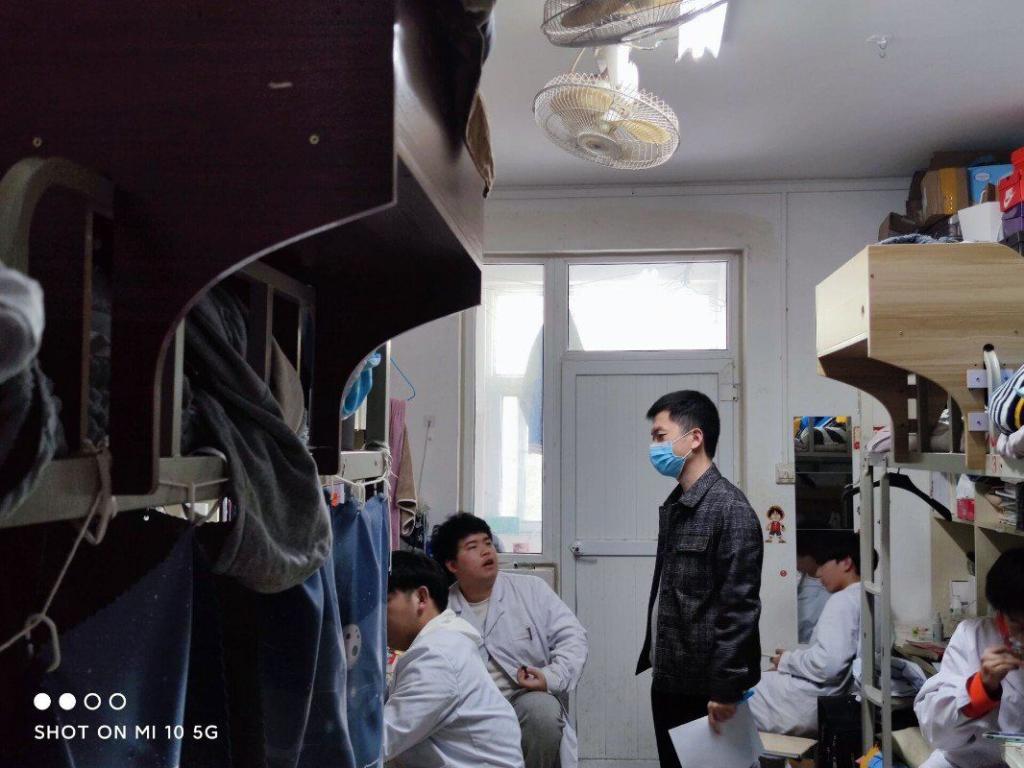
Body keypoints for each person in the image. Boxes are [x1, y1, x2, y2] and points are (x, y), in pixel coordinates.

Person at [636, 390, 763, 768]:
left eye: (660, 436)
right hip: (670, 678)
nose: (654, 447)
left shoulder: (731, 509)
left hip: (706, 689)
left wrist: (726, 688)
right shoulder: (678, 505)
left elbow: (740, 607)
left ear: (694, 439)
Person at [432, 513, 588, 768]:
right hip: (467, 709)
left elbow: (573, 637)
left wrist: (549, 676)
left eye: (488, 542)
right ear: (452, 565)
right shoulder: (442, 609)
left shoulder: (531, 590)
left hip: (522, 700)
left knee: (542, 712)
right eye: (473, 547)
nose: (486, 551)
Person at [384, 550, 525, 768]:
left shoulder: (438, 656)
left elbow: (380, 741)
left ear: (421, 598)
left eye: (385, 601)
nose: (377, 615)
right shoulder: (444, 644)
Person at [749, 532, 867, 736]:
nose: (819, 573)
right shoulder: (872, 599)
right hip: (842, 698)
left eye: (823, 564)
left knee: (740, 691)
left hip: (815, 703)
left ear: (846, 563)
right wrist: (792, 661)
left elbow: (828, 666)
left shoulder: (843, 601)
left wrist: (787, 661)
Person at [915, 548, 1024, 768]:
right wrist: (980, 689)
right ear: (1000, 614)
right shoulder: (974, 636)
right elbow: (936, 732)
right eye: (1016, 623)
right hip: (966, 762)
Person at [796, 533, 830, 644]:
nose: (795, 561)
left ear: (810, 557)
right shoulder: (799, 579)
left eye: (798, 556)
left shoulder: (829, 587)